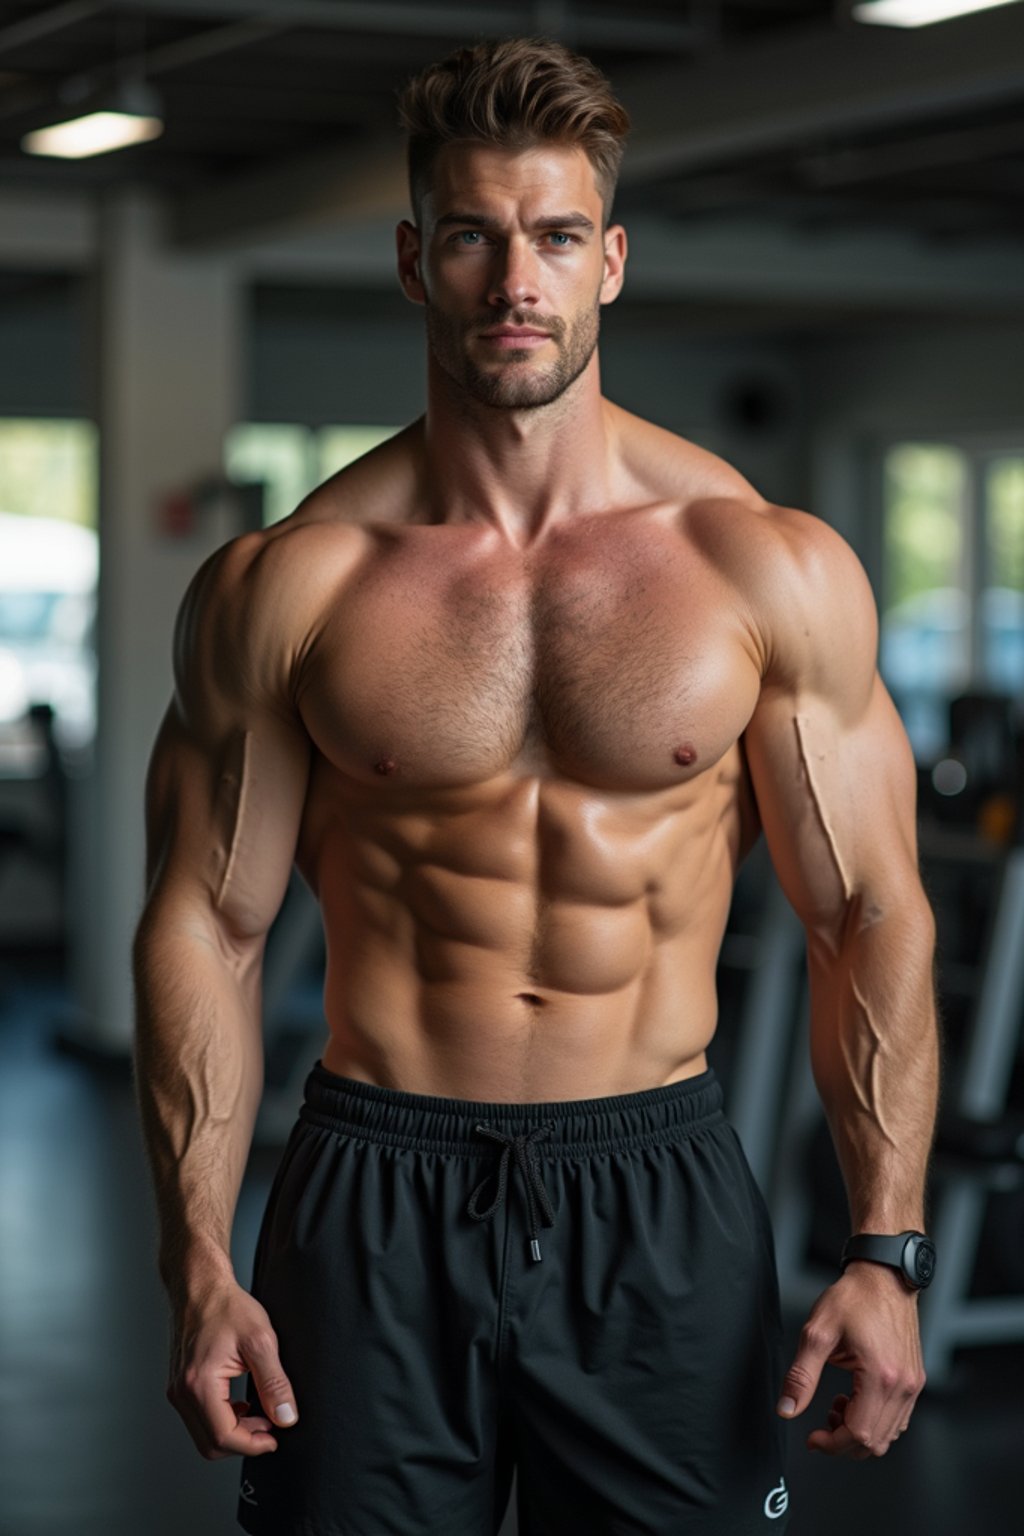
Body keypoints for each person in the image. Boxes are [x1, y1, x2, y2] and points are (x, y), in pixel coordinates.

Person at [132, 35, 941, 1536]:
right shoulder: (288, 586)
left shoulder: (761, 565)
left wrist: (887, 1252)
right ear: (413, 260)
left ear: (611, 261)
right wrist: (196, 1261)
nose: (517, 278)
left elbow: (868, 911)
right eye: (473, 237)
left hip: (659, 1181)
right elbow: (204, 923)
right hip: (373, 1184)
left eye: (557, 237)